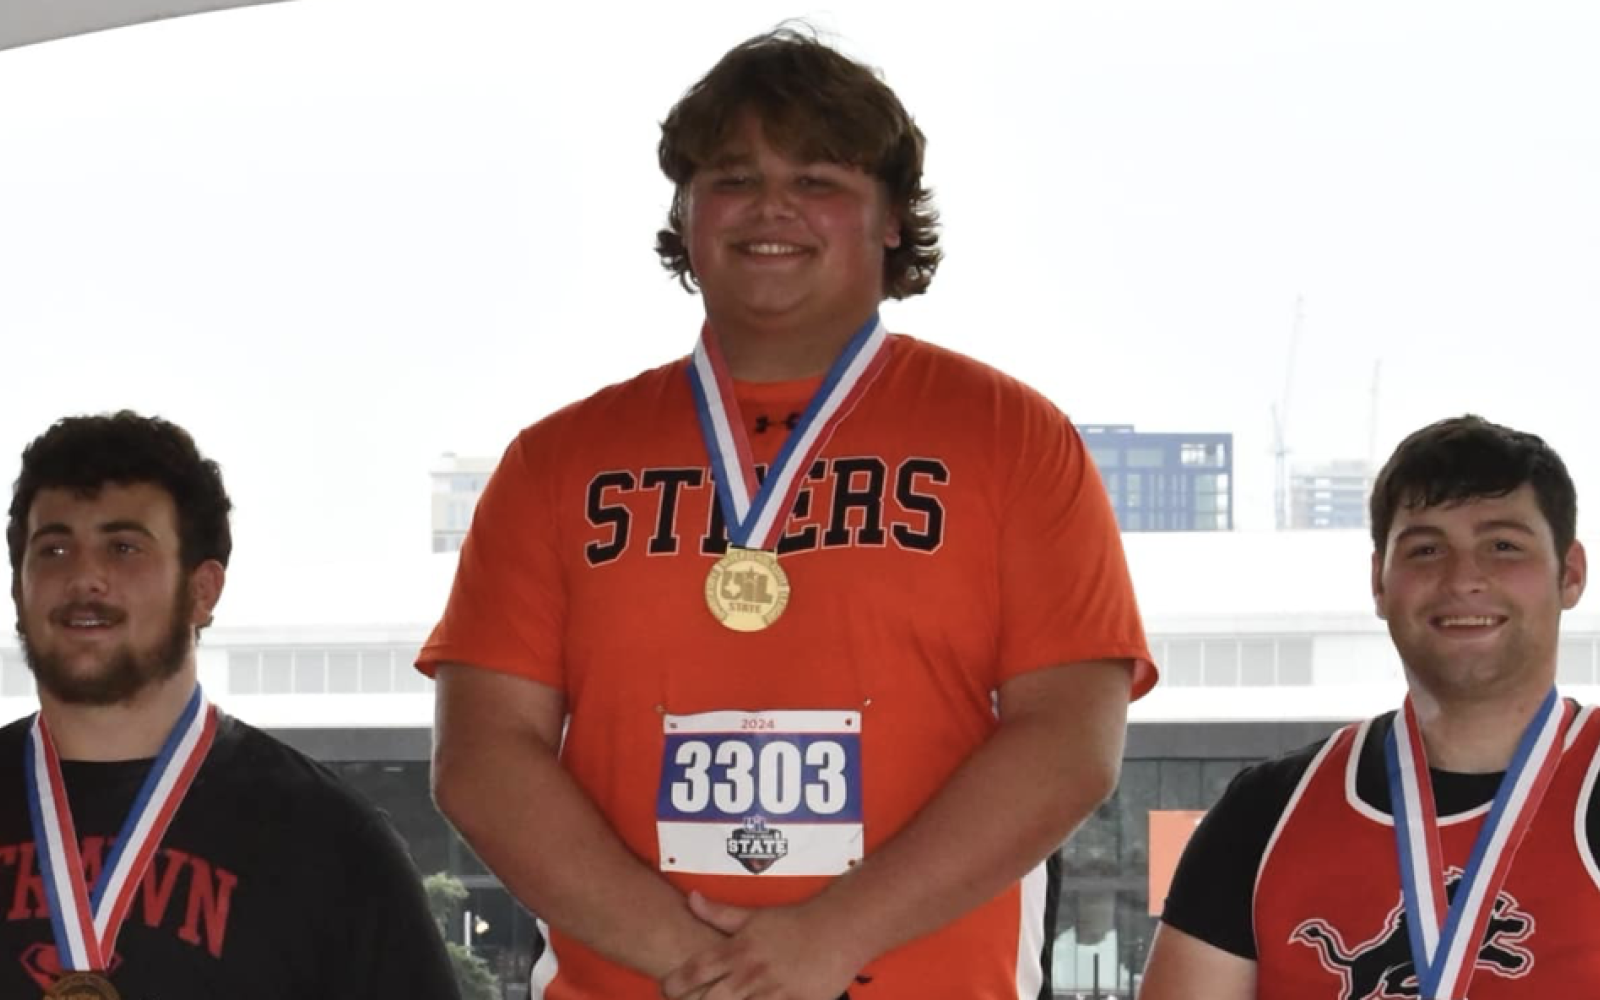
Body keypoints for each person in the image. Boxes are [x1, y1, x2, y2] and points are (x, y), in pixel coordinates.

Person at [420, 26, 1156, 1000]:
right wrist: (707, 964)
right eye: (731, 177)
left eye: (818, 179)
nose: (771, 206)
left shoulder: (1013, 439)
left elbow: (1071, 740)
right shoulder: (554, 463)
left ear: (892, 217)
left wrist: (830, 936)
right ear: (684, 215)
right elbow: (482, 757)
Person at [1, 411, 461, 1000]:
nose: (86, 576)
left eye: (123, 547)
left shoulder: (329, 841)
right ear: (19, 590)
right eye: (55, 549)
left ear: (202, 591)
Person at [1140, 414, 1598, 999]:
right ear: (1380, 584)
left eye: (1503, 545)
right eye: (1426, 548)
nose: (1463, 578)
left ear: (1572, 574)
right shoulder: (1265, 811)